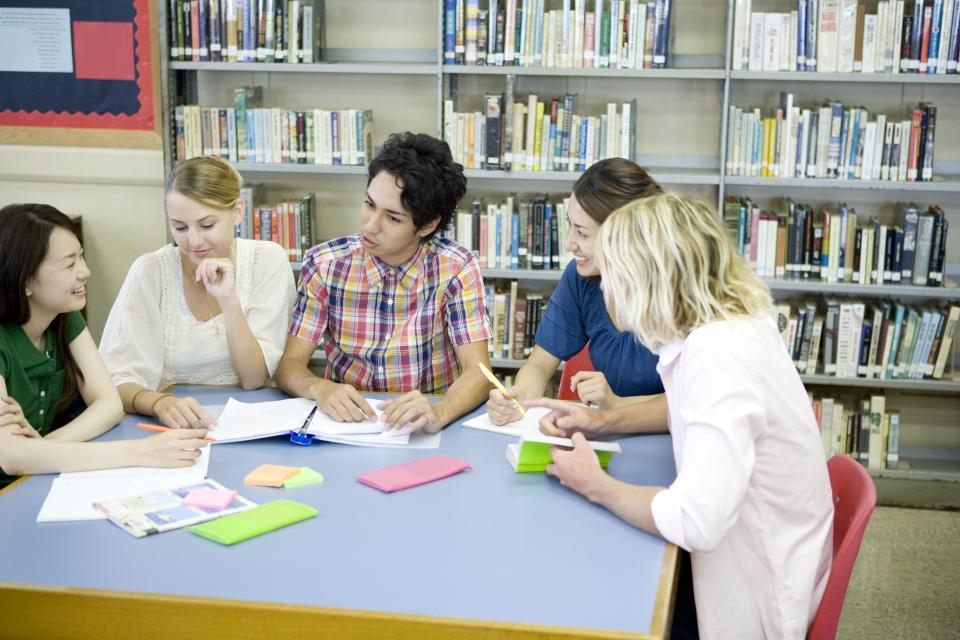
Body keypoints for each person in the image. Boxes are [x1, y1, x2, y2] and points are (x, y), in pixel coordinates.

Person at [528, 193, 834, 639]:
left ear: (645, 280)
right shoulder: (728, 326)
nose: (606, 289)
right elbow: (696, 417)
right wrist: (602, 421)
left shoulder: (717, 356)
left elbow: (695, 521)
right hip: (757, 550)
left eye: (613, 274)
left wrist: (597, 485)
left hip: (756, 595)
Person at [275, 132, 492, 433]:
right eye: (368, 204)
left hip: (430, 421)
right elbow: (289, 367)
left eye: (392, 218)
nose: (370, 224)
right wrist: (318, 388)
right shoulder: (324, 264)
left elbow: (479, 372)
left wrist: (437, 413)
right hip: (350, 423)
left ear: (427, 225)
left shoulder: (456, 267)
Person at [0, 204, 208, 488]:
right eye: (69, 264)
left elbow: (109, 404)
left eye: (81, 258)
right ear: (25, 281)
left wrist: (42, 448)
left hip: (33, 481)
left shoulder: (65, 318)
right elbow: (11, 457)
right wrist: (140, 452)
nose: (85, 272)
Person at [100, 156, 296, 429]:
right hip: (170, 427)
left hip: (251, 424)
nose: (193, 242)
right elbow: (114, 380)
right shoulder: (150, 271)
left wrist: (228, 299)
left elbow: (254, 379)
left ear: (238, 211)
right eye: (179, 227)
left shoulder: (267, 261)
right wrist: (157, 402)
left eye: (207, 225)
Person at [485, 158, 666, 430]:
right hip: (608, 430)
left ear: (624, 235)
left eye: (582, 233)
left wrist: (615, 406)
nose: (569, 243)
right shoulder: (581, 277)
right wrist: (520, 395)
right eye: (569, 225)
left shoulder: (678, 289)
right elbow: (539, 365)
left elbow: (693, 400)